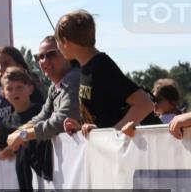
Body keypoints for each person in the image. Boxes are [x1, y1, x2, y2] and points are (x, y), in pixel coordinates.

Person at [54, 10, 158, 138]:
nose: (58, 47)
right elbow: (105, 113)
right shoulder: (86, 68)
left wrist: (112, 136)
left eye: (57, 41)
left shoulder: (101, 66)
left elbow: (145, 104)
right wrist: (81, 127)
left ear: (65, 41)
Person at [3, 35, 81, 152]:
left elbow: (61, 122)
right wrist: (19, 131)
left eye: (51, 54)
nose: (44, 60)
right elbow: (43, 116)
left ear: (66, 54)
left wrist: (23, 135)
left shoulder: (74, 78)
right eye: (39, 57)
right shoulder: (54, 87)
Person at [0, 46, 44, 140]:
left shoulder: (29, 93)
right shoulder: (6, 96)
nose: (1, 69)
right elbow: (7, 134)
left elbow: (31, 132)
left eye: (6, 63)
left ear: (20, 66)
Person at [0, 67, 43, 160]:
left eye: (19, 87)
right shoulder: (6, 123)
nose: (15, 92)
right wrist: (6, 152)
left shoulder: (42, 112)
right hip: (23, 173)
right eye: (9, 89)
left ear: (30, 89)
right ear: (3, 94)